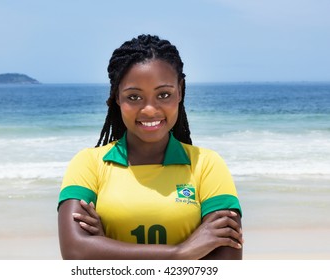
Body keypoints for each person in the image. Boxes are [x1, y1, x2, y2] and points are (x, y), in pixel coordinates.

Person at [58, 34, 243, 260]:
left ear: (180, 91)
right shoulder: (89, 163)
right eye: (134, 97)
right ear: (117, 96)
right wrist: (180, 252)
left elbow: (226, 263)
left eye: (164, 94)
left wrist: (106, 246)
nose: (149, 110)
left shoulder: (207, 165)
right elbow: (75, 253)